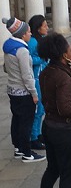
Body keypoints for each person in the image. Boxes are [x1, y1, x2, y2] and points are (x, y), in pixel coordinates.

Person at [38, 33, 71, 187]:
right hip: (63, 131)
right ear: (64, 55)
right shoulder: (62, 77)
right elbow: (64, 108)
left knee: (53, 169)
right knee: (68, 174)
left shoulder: (46, 71)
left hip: (49, 126)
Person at [2, 17, 46, 163]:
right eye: (28, 32)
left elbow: (6, 68)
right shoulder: (22, 51)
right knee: (26, 122)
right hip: (23, 91)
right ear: (22, 34)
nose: (30, 34)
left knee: (17, 120)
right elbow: (27, 75)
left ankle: (18, 148)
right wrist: (34, 93)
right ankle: (27, 153)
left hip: (12, 89)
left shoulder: (9, 47)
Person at [27, 15, 49, 150]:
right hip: (36, 78)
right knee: (37, 110)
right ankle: (33, 137)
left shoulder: (40, 40)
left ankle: (38, 133)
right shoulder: (33, 42)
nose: (47, 27)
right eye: (44, 25)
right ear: (38, 27)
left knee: (41, 109)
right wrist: (43, 59)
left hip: (42, 77)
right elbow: (28, 60)